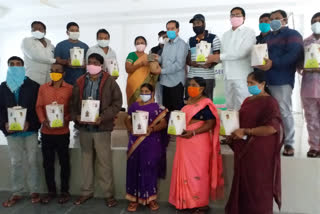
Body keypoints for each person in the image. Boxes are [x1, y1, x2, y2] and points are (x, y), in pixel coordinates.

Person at [225, 71, 283, 214]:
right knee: (244, 184)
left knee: (258, 185)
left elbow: (271, 128)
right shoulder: (247, 100)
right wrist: (232, 133)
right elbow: (240, 121)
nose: (248, 86)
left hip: (260, 152)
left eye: (252, 83)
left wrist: (246, 131)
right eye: (247, 83)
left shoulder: (270, 102)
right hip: (244, 150)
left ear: (263, 84)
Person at [70, 53, 122, 207]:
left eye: (95, 62)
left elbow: (117, 103)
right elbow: (72, 105)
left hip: (102, 128)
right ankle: (86, 192)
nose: (92, 65)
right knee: (86, 161)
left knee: (104, 162)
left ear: (101, 65)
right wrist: (76, 116)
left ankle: (108, 194)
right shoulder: (79, 81)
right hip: (84, 129)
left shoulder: (110, 81)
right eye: (89, 62)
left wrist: (103, 117)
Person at [169, 77, 224, 214]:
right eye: (189, 85)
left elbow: (210, 124)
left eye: (194, 85)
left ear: (202, 88)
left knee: (199, 173)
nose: (190, 87)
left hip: (198, 142)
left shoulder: (206, 104)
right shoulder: (186, 102)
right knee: (185, 171)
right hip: (184, 141)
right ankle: (185, 201)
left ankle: (201, 204)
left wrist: (193, 132)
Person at [256, 9, 304, 156]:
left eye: (277, 18)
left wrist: (273, 63)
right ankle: (273, 140)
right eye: (271, 19)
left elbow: (293, 55)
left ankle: (289, 143)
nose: (273, 21)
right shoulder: (268, 37)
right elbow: (261, 54)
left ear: (285, 20)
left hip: (282, 78)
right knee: (269, 112)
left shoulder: (293, 35)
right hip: (266, 79)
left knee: (284, 111)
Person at [0, 56, 41, 207]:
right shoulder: (3, 87)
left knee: (32, 161)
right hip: (11, 132)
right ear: (8, 67)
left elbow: (38, 108)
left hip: (29, 131)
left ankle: (34, 190)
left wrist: (31, 124)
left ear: (23, 67)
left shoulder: (33, 86)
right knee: (16, 162)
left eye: (18, 64)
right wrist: (4, 124)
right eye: (12, 64)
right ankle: (17, 191)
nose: (15, 67)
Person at [124, 83, 169, 212]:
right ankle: (133, 199)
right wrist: (130, 128)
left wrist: (152, 128)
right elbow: (127, 120)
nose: (144, 94)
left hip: (151, 141)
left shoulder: (158, 108)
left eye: (146, 91)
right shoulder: (134, 106)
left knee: (149, 169)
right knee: (133, 168)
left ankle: (151, 199)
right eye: (142, 91)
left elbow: (164, 123)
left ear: (152, 93)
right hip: (135, 142)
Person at [36, 64, 73, 204]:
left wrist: (66, 119)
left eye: (57, 71)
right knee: (48, 163)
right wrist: (43, 120)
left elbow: (72, 108)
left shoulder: (70, 89)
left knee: (64, 163)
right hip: (46, 132)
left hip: (63, 132)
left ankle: (64, 191)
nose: (54, 73)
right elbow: (38, 106)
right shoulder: (43, 88)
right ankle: (51, 191)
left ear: (63, 73)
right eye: (52, 71)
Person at [206, 7, 256, 111]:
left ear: (244, 18)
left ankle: (244, 127)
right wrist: (210, 59)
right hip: (227, 76)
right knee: (230, 107)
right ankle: (233, 127)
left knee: (243, 106)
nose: (235, 17)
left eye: (238, 15)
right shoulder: (225, 35)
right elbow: (224, 55)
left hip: (242, 76)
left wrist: (218, 57)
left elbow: (242, 53)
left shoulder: (249, 32)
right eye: (233, 15)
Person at [153, 20, 188, 111]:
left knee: (176, 111)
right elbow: (164, 60)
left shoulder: (182, 44)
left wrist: (162, 71)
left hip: (176, 82)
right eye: (168, 29)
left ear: (178, 30)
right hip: (165, 82)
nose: (170, 31)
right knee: (166, 110)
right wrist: (158, 58)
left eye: (172, 28)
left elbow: (179, 65)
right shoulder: (167, 43)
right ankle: (167, 126)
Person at [300, 12, 320, 157]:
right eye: (314, 21)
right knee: (311, 118)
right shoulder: (305, 42)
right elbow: (299, 63)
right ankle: (314, 146)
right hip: (309, 86)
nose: (316, 23)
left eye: (319, 21)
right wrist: (303, 66)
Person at [187, 14, 221, 100]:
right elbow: (188, 59)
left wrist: (210, 64)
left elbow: (217, 57)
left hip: (207, 77)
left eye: (198, 23)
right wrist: (193, 63)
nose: (195, 26)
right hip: (192, 76)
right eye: (194, 24)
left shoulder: (213, 38)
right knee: (190, 101)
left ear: (204, 24)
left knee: (206, 102)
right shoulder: (190, 40)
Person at [126, 36, 159, 107]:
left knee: (146, 106)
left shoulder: (149, 56)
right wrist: (141, 64)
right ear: (135, 45)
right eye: (137, 43)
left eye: (142, 43)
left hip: (146, 85)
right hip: (133, 86)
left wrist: (157, 60)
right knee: (134, 106)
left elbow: (154, 71)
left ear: (146, 45)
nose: (140, 45)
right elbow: (128, 69)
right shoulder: (131, 55)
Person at [150, 31, 168, 105]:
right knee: (159, 97)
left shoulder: (171, 48)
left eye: (165, 37)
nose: (163, 39)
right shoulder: (153, 49)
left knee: (168, 97)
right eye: (161, 37)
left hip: (169, 77)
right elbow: (150, 62)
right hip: (157, 78)